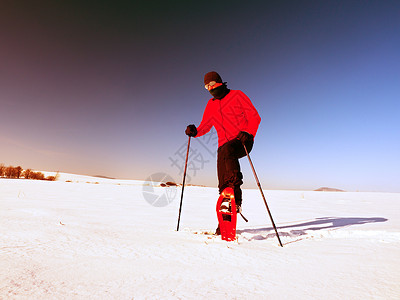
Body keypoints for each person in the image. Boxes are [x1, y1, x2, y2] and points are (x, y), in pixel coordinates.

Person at [185, 71, 261, 232]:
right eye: (206, 86)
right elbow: (205, 125)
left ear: (219, 82)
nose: (209, 88)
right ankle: (226, 215)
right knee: (222, 179)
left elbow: (254, 117)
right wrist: (195, 131)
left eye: (212, 84)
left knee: (227, 150)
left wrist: (248, 132)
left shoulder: (237, 95)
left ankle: (237, 200)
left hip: (243, 141)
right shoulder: (210, 105)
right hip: (224, 148)